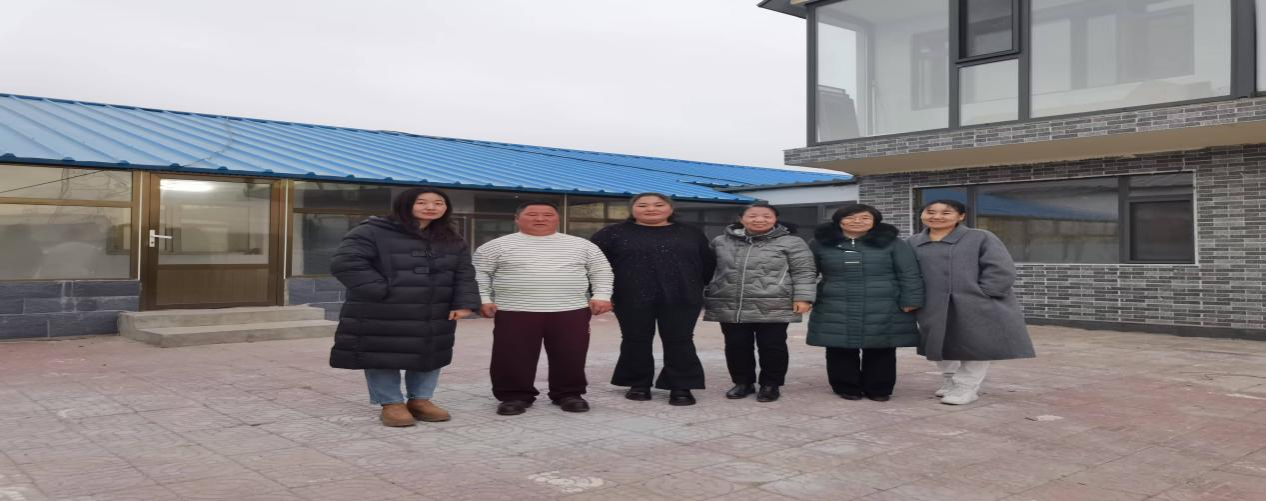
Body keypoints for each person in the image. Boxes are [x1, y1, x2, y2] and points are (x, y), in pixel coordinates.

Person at [329, 188, 479, 427]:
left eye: (438, 203)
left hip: (434, 308)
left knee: (430, 352)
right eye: (422, 202)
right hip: (382, 308)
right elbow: (346, 263)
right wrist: (382, 291)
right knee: (382, 354)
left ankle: (420, 400)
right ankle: (391, 403)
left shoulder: (451, 237)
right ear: (405, 204)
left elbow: (464, 272)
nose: (431, 207)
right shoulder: (372, 231)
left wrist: (464, 302)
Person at [473, 200, 614, 416]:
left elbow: (601, 271)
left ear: (557, 219)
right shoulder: (495, 246)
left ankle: (569, 394)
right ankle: (514, 396)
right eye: (532, 214)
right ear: (517, 219)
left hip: (570, 310)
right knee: (512, 354)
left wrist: (602, 295)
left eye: (548, 215)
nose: (540, 219)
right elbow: (479, 274)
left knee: (570, 353)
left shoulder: (582, 245)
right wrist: (483, 299)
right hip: (514, 310)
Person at [590, 193, 715, 406]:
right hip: (630, 296)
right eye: (643, 205)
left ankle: (680, 386)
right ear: (632, 209)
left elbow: (707, 263)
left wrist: (698, 286)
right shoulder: (612, 233)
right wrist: (600, 293)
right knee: (635, 340)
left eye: (658, 204)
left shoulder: (691, 232)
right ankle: (638, 383)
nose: (651, 209)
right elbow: (595, 265)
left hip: (682, 296)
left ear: (670, 208)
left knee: (680, 341)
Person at [907, 199, 1036, 405]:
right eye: (930, 212)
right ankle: (950, 379)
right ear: (922, 215)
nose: (937, 216)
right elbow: (906, 273)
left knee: (976, 345)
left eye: (946, 213)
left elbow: (1001, 268)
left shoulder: (980, 237)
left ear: (961, 216)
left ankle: (966, 387)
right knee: (938, 345)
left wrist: (985, 294)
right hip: (932, 304)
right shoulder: (912, 242)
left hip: (975, 302)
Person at [807, 204, 923, 402]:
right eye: (850, 217)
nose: (857, 221)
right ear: (838, 220)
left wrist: (911, 299)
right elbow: (807, 273)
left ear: (874, 221)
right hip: (834, 302)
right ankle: (846, 386)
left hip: (884, 303)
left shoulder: (893, 243)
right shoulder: (819, 243)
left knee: (881, 346)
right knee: (839, 346)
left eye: (864, 218)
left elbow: (909, 273)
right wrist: (805, 297)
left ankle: (879, 388)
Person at [703, 202, 816, 403]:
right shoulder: (721, 241)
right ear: (741, 219)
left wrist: (803, 297)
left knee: (772, 346)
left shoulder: (792, 242)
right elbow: (707, 269)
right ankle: (742, 382)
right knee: (736, 345)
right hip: (731, 302)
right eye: (753, 215)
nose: (759, 220)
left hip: (774, 301)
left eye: (766, 216)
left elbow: (804, 271)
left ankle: (770, 384)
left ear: (775, 219)